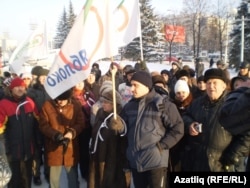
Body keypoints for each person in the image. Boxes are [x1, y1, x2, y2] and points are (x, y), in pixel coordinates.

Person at [120, 71, 184, 188]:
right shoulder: (129, 106)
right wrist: (118, 127)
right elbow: (123, 131)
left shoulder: (162, 104)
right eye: (131, 85)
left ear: (146, 86)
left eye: (136, 85)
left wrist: (162, 146)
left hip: (156, 162)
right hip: (135, 161)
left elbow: (178, 128)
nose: (132, 89)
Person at [181, 68, 244, 172]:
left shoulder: (234, 104)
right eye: (208, 83)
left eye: (215, 83)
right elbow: (185, 116)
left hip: (221, 164)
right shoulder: (197, 103)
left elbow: (246, 135)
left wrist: (232, 156)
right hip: (197, 161)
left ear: (224, 85)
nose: (211, 86)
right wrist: (189, 125)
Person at [39, 89, 86, 188]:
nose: (60, 102)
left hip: (70, 148)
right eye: (58, 99)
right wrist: (55, 135)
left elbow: (81, 123)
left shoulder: (76, 105)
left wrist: (71, 133)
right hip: (54, 148)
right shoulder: (47, 105)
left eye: (63, 99)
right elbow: (43, 125)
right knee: (54, 180)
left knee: (73, 177)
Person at [0, 77, 40, 188]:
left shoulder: (29, 102)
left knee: (27, 181)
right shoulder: (4, 104)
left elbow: (40, 120)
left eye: (22, 86)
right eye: (17, 86)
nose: (20, 89)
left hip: (28, 150)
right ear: (11, 89)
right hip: (12, 153)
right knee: (14, 182)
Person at [88, 87, 130, 188]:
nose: (103, 104)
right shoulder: (100, 113)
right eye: (102, 101)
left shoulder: (120, 115)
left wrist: (120, 128)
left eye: (106, 102)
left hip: (113, 157)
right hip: (98, 154)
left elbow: (125, 135)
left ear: (114, 104)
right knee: (97, 180)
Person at [27, 68, 51, 185]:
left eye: (46, 77)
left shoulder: (51, 90)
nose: (43, 79)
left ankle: (48, 172)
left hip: (48, 125)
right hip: (35, 125)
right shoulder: (31, 92)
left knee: (48, 149)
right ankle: (36, 174)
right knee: (36, 151)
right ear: (38, 78)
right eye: (42, 77)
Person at [72, 80, 96, 181]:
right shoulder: (70, 95)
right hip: (74, 126)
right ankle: (72, 174)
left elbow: (93, 107)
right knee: (73, 150)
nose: (79, 83)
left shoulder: (89, 94)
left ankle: (84, 171)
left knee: (84, 150)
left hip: (86, 126)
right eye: (77, 81)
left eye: (81, 81)